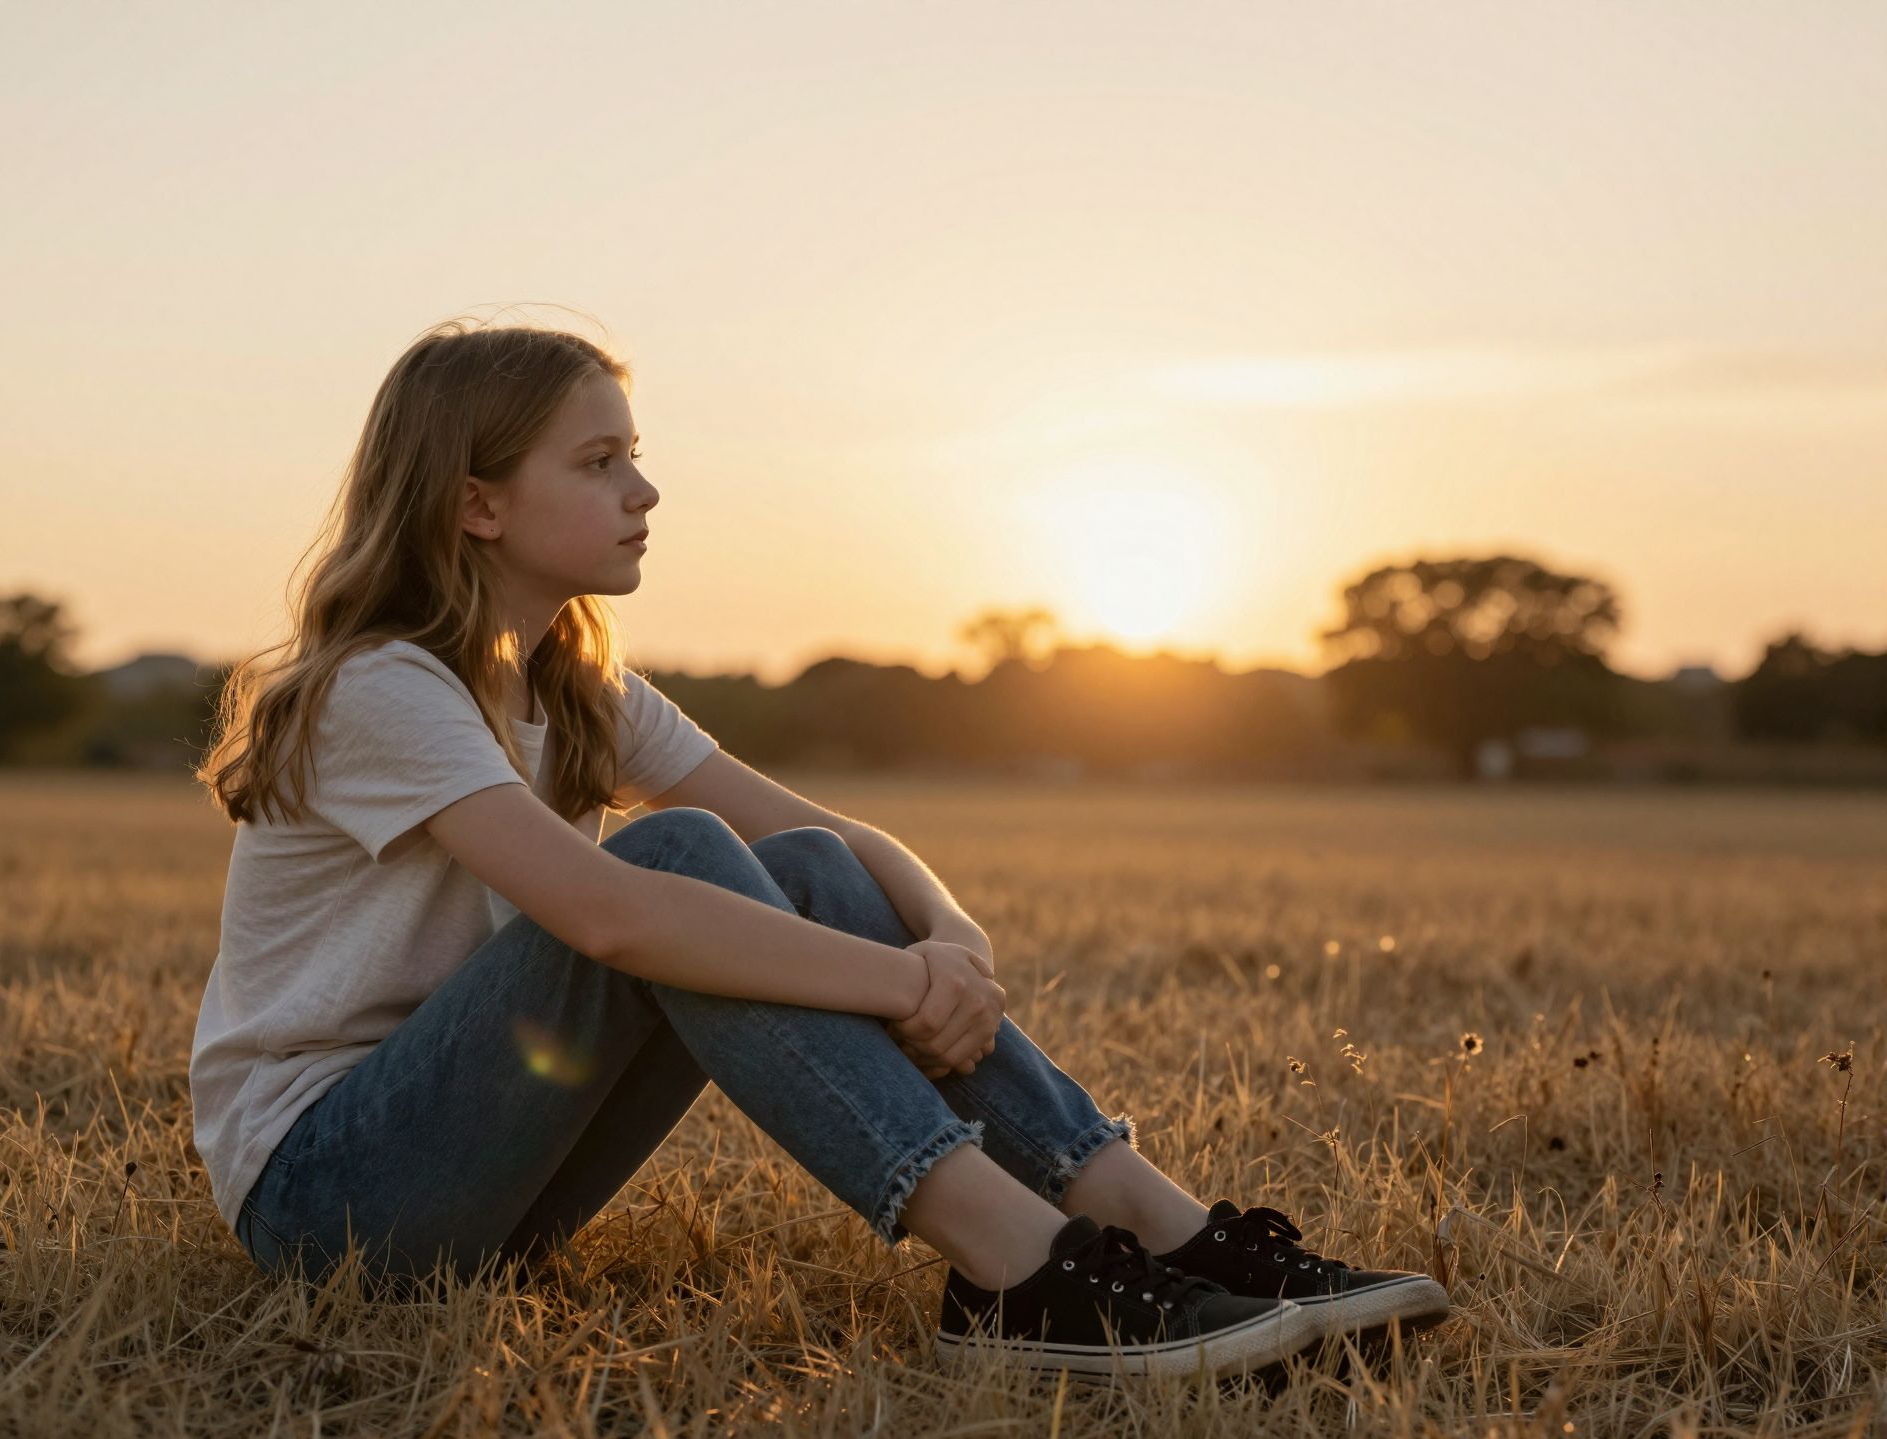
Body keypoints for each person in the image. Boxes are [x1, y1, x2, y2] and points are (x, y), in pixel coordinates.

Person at [189, 317, 1449, 1380]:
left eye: (636, 455)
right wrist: (904, 983)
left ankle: (1149, 1220)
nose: (645, 490)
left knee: (804, 876)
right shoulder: (380, 687)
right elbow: (612, 920)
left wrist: (953, 940)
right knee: (672, 860)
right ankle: (1020, 1270)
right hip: (333, 1200)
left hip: (501, 1190)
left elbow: (828, 840)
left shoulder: (572, 684)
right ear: (476, 503)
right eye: (599, 461)